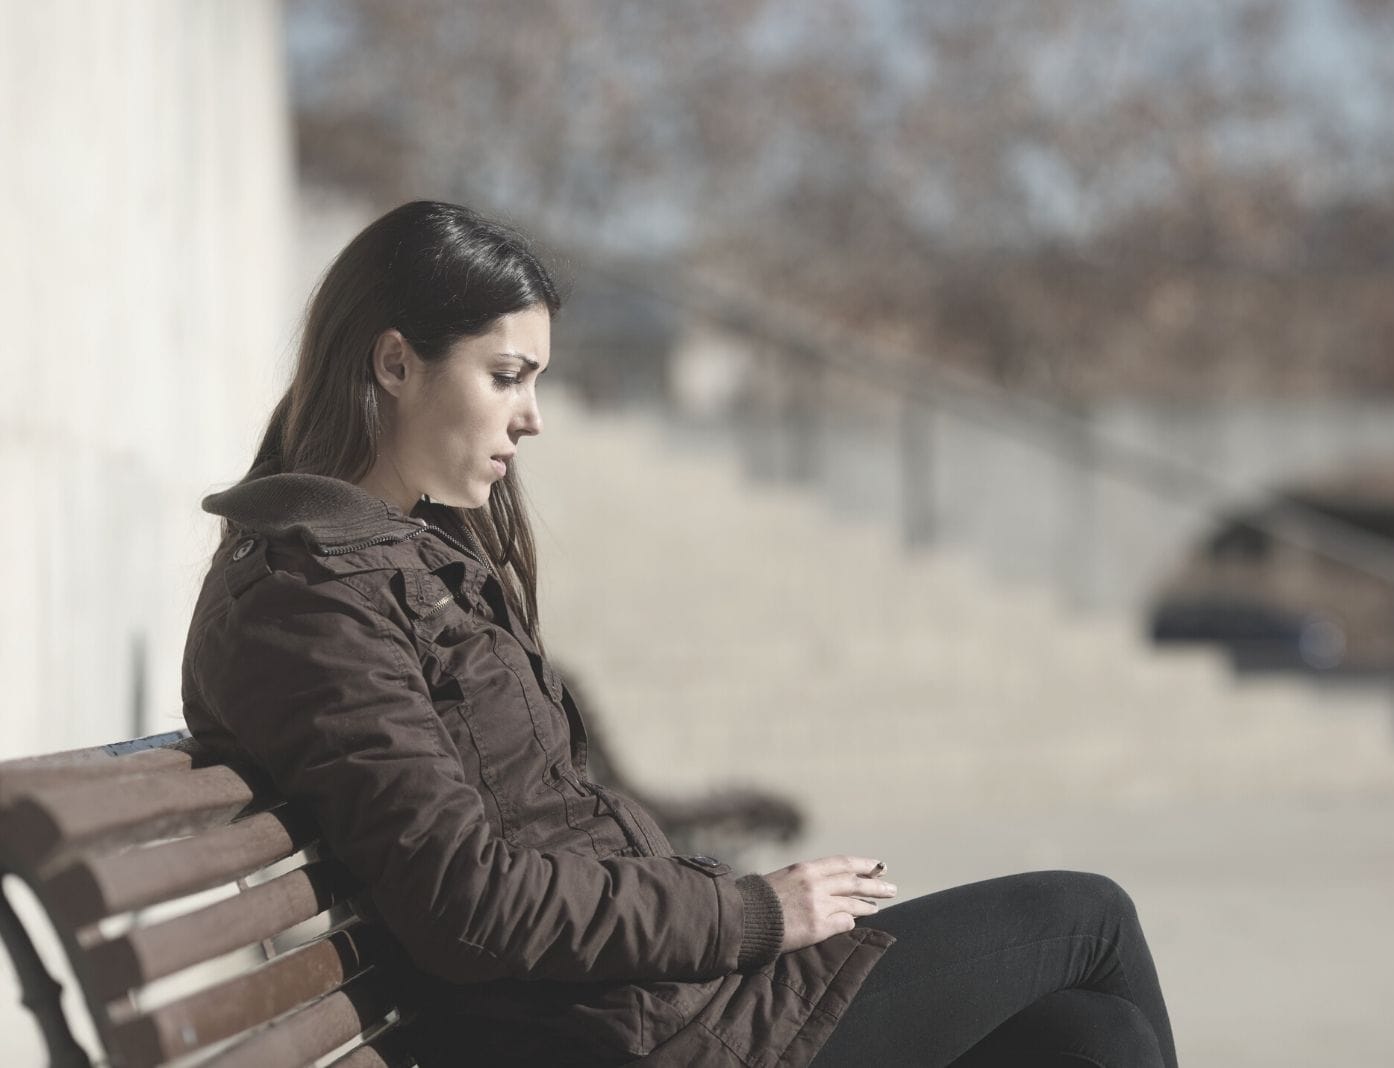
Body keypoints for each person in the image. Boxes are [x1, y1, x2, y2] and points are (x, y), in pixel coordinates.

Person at [180, 199, 1179, 1068]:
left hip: (648, 1005)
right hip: (631, 1037)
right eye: (506, 375)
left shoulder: (392, 564)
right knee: (1085, 915)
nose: (532, 419)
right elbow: (468, 900)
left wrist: (722, 913)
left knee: (1096, 1041)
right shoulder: (316, 601)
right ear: (396, 363)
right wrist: (750, 915)